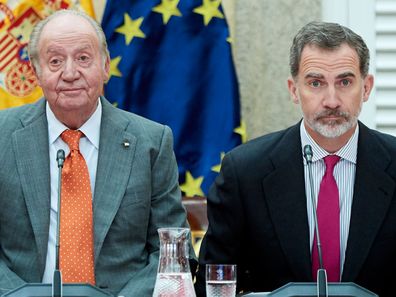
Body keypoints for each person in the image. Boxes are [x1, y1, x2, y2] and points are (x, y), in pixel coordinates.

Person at [0, 9, 194, 297]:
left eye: (83, 58)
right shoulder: (3, 136)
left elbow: (173, 252)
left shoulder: (151, 142)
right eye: (55, 61)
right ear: (36, 73)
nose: (70, 73)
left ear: (105, 66)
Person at [195, 21, 396, 297]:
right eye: (315, 83)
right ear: (293, 89)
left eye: (345, 82)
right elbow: (213, 285)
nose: (332, 100)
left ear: (366, 87)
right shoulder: (245, 172)